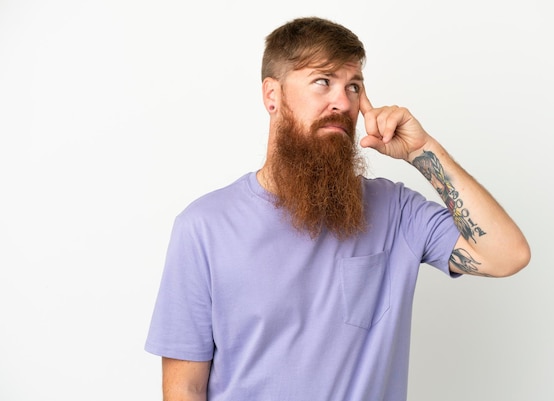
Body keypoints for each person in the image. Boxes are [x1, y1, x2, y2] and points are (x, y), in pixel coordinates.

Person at [145, 16, 531, 401]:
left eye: (354, 86)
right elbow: (184, 389)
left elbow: (507, 255)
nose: (343, 102)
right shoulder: (203, 227)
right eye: (322, 82)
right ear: (272, 95)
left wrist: (421, 151)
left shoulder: (396, 212)